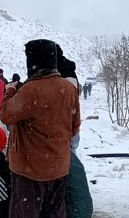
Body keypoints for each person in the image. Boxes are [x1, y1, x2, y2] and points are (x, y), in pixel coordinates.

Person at [0, 39, 78, 218]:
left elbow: (5, 114)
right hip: (59, 168)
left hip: (30, 171)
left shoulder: (30, 90)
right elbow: (74, 127)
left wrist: (10, 91)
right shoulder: (69, 88)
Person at [55, 45, 93, 218]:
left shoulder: (58, 74)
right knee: (71, 163)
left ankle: (63, 198)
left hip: (60, 126)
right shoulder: (71, 73)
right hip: (70, 123)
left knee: (64, 165)